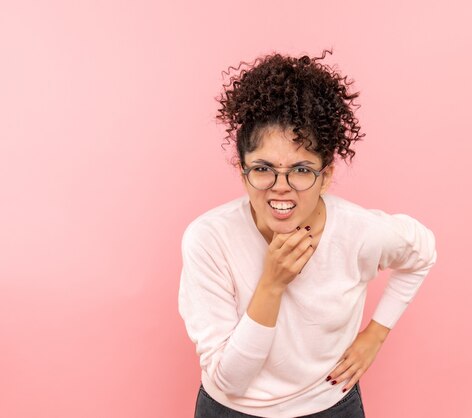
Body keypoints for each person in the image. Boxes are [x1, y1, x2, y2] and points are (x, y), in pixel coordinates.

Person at [178, 49, 438, 418]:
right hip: (229, 410)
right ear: (243, 172)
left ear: (326, 175)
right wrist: (272, 283)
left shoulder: (360, 232)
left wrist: (375, 335)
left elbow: (422, 254)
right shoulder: (209, 238)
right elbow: (230, 380)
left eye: (301, 169)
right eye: (263, 168)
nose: (280, 187)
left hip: (330, 404)